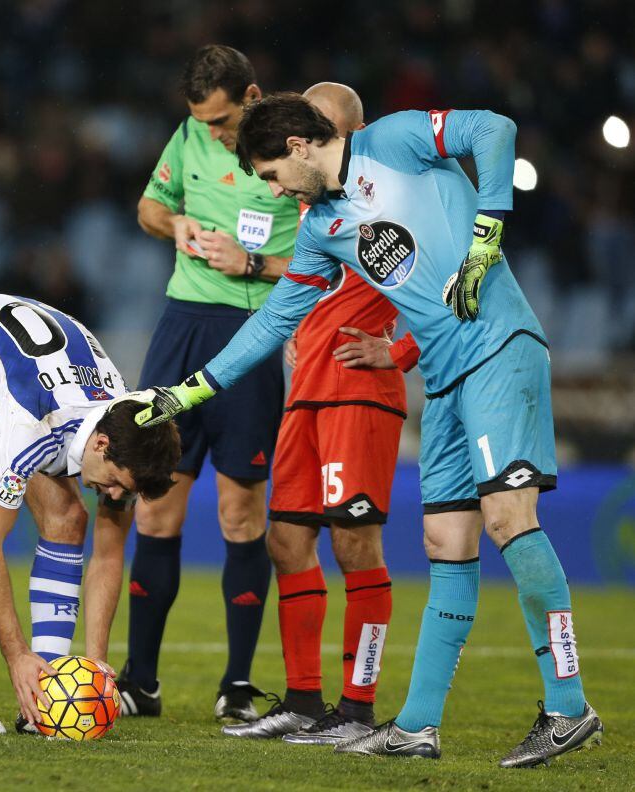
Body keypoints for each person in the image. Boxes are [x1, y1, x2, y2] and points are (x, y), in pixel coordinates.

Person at [131, 95, 603, 768]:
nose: (272, 189)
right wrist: (189, 391)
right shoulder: (323, 226)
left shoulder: (397, 139)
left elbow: (496, 128)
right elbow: (271, 324)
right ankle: (416, 727)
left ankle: (567, 703)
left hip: (498, 347)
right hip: (440, 380)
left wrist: (489, 228)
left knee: (508, 518)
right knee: (446, 538)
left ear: (298, 146)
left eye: (269, 173)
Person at [223, 83, 420, 745]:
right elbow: (291, 300)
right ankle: (304, 702)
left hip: (358, 394)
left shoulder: (392, 195)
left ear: (345, 131)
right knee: (286, 543)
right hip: (304, 393)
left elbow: (445, 285)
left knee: (355, 544)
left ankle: (357, 708)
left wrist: (399, 352)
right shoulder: (315, 220)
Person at [0, 293, 180, 735]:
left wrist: (95, 664)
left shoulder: (129, 428)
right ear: (101, 446)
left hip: (16, 378)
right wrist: (16, 655)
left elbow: (107, 556)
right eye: (117, 483)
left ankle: (46, 695)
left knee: (69, 518)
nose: (116, 495)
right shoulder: (32, 426)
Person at [123, 44, 299, 722]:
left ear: (252, 97)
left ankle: (237, 683)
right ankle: (142, 681)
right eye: (205, 121)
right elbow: (147, 206)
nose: (216, 133)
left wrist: (253, 262)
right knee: (155, 505)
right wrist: (175, 222)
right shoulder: (191, 133)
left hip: (250, 336)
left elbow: (323, 259)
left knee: (239, 512)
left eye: (223, 121)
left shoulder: (293, 144)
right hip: (181, 328)